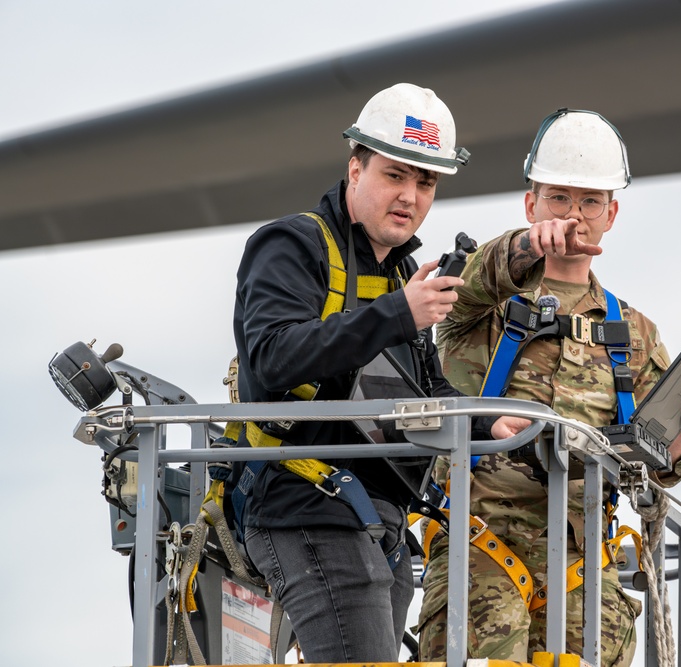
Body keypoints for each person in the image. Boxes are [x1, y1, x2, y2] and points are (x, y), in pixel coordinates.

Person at [416, 109, 681, 666]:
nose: (573, 217)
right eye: (559, 198)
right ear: (531, 204)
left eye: (588, 202)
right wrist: (529, 249)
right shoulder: (477, 306)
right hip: (478, 543)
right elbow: (477, 278)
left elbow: (651, 464)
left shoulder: (634, 335)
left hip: (582, 558)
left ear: (612, 213)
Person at [230, 82, 524, 663]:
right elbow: (272, 355)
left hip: (376, 517)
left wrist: (491, 421)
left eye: (426, 182)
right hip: (301, 501)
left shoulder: (403, 273)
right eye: (396, 175)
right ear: (355, 169)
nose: (411, 196)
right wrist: (398, 313)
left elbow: (425, 389)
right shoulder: (292, 245)